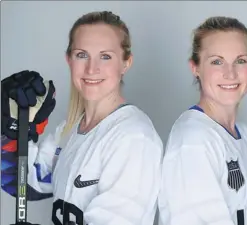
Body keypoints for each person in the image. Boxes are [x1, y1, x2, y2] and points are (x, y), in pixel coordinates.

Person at [1, 11, 163, 225]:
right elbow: (23, 183)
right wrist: (15, 129)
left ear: (126, 63)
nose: (91, 68)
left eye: (105, 56)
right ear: (69, 59)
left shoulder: (134, 138)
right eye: (82, 55)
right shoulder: (70, 130)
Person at [157, 16, 247, 225]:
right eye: (216, 61)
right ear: (195, 67)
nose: (230, 73)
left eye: (240, 61)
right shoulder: (193, 141)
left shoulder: (241, 133)